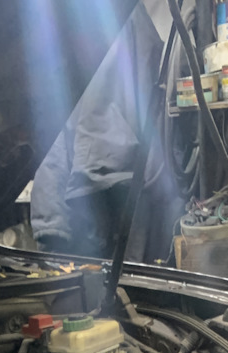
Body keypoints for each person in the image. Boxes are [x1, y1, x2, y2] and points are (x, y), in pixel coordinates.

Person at [31, 1, 178, 262]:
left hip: (110, 177)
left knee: (117, 273)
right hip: (109, 177)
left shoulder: (116, 23)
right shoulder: (83, 26)